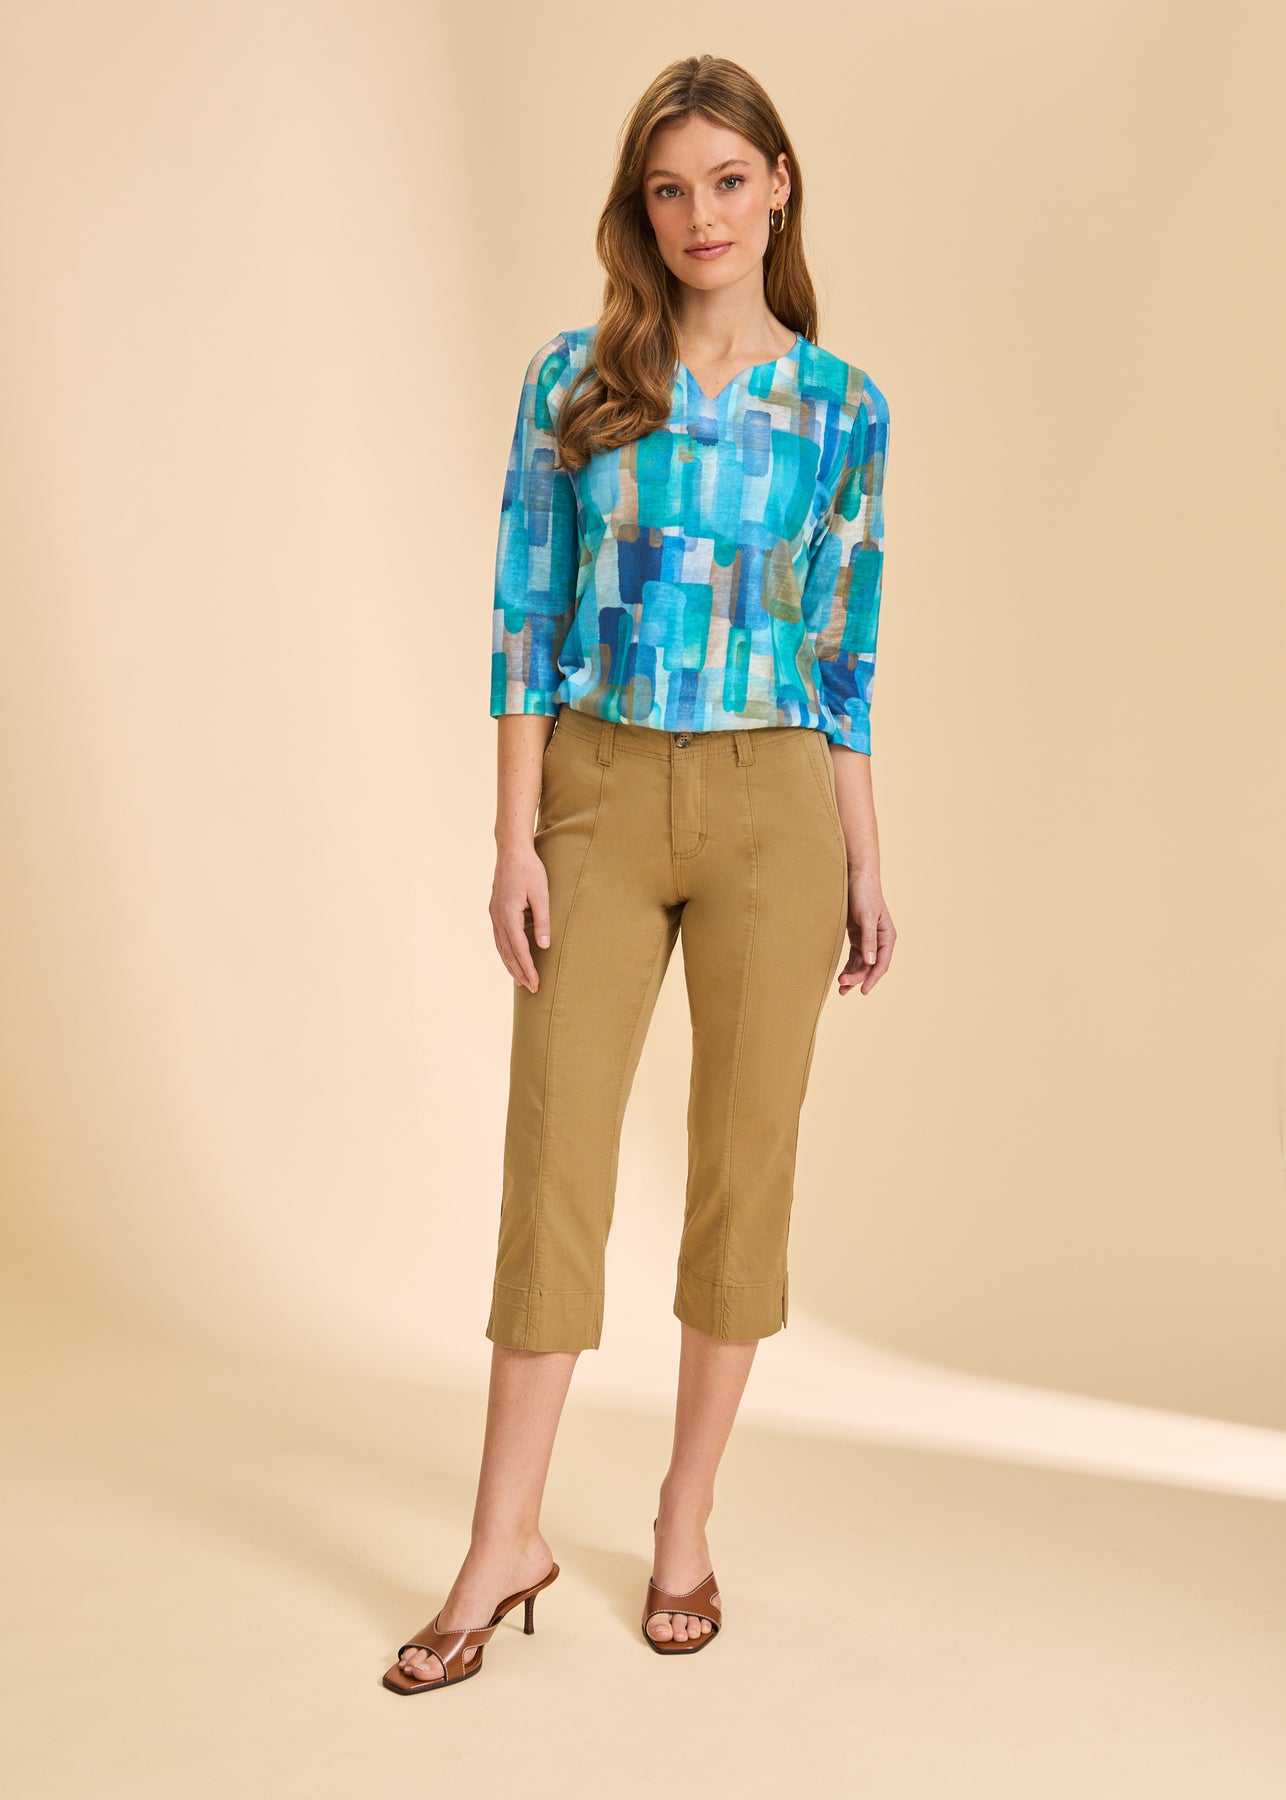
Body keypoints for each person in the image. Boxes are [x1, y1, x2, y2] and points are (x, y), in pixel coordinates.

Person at [384, 51, 896, 1695]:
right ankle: (500, 1542)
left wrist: (866, 861)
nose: (700, 216)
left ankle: (683, 1522)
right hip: (599, 786)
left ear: (778, 188)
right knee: (552, 1161)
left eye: (727, 181)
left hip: (774, 803)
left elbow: (842, 654)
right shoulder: (574, 380)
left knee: (744, 1165)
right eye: (669, 189)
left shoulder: (842, 409)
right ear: (640, 208)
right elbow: (522, 619)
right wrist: (512, 838)